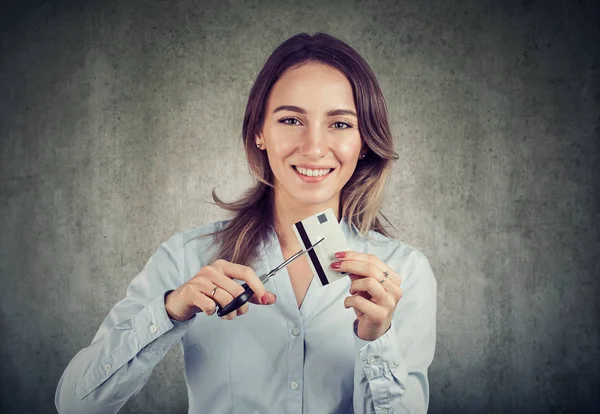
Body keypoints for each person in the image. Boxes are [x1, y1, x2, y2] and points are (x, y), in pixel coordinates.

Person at [55, 32, 437, 414]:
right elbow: (74, 404)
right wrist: (170, 310)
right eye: (291, 119)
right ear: (259, 132)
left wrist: (377, 339)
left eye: (339, 124)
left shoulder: (404, 273)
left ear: (364, 141)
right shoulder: (188, 257)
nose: (314, 147)